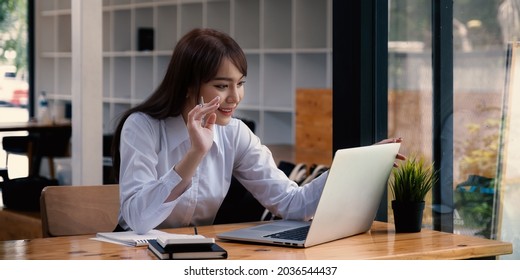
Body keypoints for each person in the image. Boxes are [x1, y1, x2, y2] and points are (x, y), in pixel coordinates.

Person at [112, 28, 405, 234]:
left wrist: (352, 167)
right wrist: (195, 153)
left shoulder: (235, 134)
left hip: (195, 255)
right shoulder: (142, 127)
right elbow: (139, 221)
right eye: (222, 85)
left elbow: (292, 203)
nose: (235, 97)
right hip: (132, 255)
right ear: (190, 85)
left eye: (240, 83)